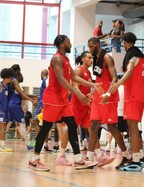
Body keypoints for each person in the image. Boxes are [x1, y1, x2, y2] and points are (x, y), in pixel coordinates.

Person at [28, 35, 101, 171]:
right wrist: (78, 93)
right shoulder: (56, 58)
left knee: (72, 126)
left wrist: (93, 84)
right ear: (62, 45)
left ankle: (79, 159)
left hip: (63, 101)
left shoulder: (66, 59)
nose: (70, 44)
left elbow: (73, 77)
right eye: (68, 42)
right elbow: (61, 79)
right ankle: (34, 160)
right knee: (46, 128)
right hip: (53, 99)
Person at [108, 32, 144, 171]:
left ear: (124, 42)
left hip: (132, 95)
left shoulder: (131, 55)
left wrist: (117, 84)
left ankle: (135, 161)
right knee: (135, 128)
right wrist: (141, 80)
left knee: (132, 128)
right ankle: (140, 158)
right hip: (139, 94)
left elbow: (130, 72)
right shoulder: (141, 55)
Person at [87, 37, 129, 168]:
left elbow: (115, 77)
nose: (90, 49)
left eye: (91, 46)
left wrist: (108, 92)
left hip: (108, 97)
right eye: (88, 47)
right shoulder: (96, 59)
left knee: (112, 128)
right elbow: (100, 78)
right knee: (93, 125)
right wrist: (94, 92)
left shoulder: (107, 58)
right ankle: (89, 158)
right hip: (98, 97)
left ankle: (127, 155)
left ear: (97, 45)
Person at [8, 64, 38, 150]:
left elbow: (23, 94)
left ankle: (1, 142)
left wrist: (34, 96)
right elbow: (22, 94)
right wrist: (32, 100)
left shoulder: (11, 80)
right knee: (22, 124)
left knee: (8, 123)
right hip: (15, 106)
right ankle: (28, 144)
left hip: (10, 105)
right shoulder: (15, 80)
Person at [0, 68, 14, 152]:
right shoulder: (0, 85)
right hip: (0, 110)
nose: (11, 79)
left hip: (5, 110)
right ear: (6, 77)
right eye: (10, 77)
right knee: (2, 127)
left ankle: (2, 144)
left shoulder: (7, 86)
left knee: (3, 127)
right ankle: (2, 145)